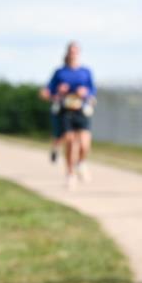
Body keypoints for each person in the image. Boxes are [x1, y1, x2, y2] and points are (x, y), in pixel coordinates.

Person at [47, 42, 96, 190]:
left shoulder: (86, 71)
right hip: (65, 110)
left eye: (76, 51)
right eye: (71, 51)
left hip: (81, 109)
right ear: (67, 53)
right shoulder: (60, 72)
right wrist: (59, 92)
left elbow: (92, 91)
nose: (73, 54)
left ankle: (81, 162)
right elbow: (48, 91)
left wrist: (85, 93)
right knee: (69, 141)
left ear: (79, 53)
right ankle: (70, 174)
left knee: (84, 143)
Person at [39, 51, 67, 164]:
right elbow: (46, 91)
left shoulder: (81, 73)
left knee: (70, 133)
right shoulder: (58, 73)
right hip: (59, 107)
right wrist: (52, 95)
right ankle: (56, 148)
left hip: (75, 109)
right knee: (58, 133)